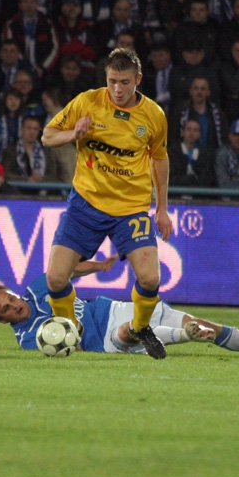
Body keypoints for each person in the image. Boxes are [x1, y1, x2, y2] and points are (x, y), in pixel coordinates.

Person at [40, 47, 170, 359]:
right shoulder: (87, 101)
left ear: (138, 79)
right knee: (56, 277)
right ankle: (71, 330)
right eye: (112, 81)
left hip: (130, 208)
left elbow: (160, 159)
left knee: (151, 278)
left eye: (125, 82)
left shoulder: (153, 115)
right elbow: (47, 136)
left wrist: (162, 207)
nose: (118, 89)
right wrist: (74, 132)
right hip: (86, 203)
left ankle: (139, 327)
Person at [0, 262, 239, 358]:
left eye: (10, 298)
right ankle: (181, 336)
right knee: (130, 332)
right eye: (6, 309)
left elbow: (70, 270)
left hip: (112, 309)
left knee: (204, 324)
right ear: (1, 320)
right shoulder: (28, 338)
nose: (15, 305)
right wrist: (75, 334)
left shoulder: (36, 288)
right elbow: (71, 347)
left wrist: (101, 265)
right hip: (104, 340)